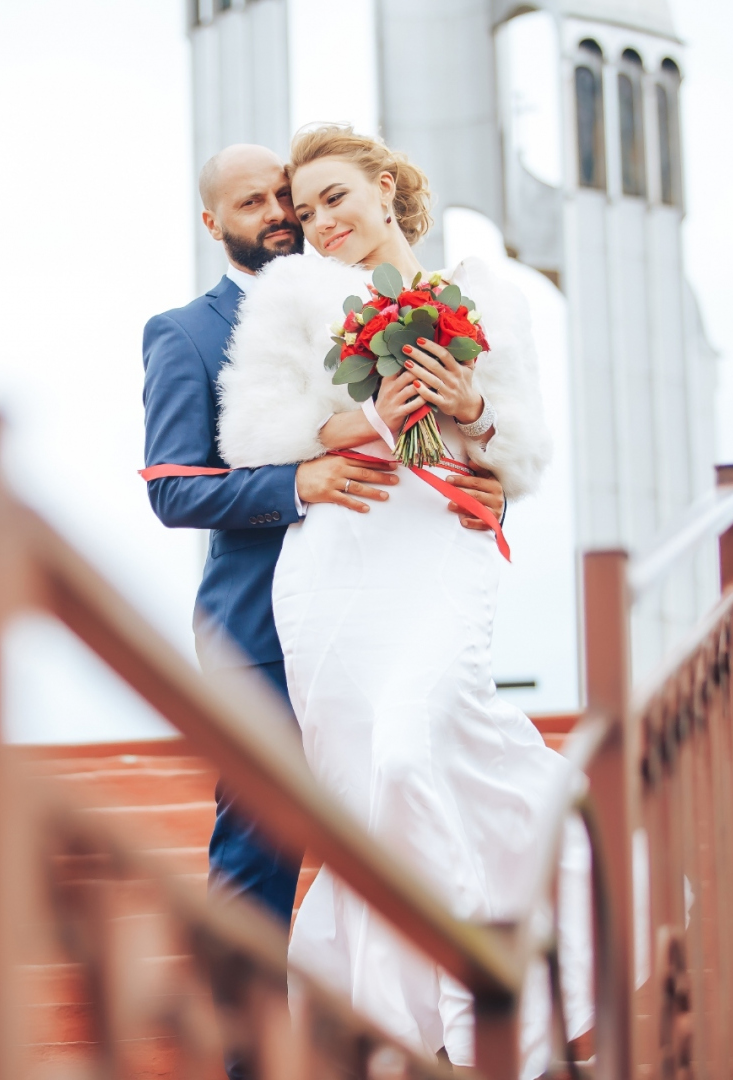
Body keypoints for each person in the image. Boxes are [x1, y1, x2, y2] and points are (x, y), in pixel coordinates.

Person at [214, 124, 593, 1076]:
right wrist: (372, 418)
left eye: (337, 197)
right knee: (367, 788)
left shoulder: (486, 292)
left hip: (440, 544)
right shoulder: (290, 298)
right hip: (337, 564)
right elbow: (256, 435)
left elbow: (525, 453)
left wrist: (468, 408)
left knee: (413, 740)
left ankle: (488, 995)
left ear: (387, 188)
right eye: (305, 212)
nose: (322, 224)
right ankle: (397, 1026)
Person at [140, 144, 511, 942]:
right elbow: (173, 490)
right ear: (212, 222)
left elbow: (433, 437)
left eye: (290, 200)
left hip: (387, 602)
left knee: (405, 806)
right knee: (265, 839)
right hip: (258, 627)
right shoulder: (185, 334)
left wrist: (491, 481)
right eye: (253, 204)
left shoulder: (366, 298)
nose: (281, 218)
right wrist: (295, 483)